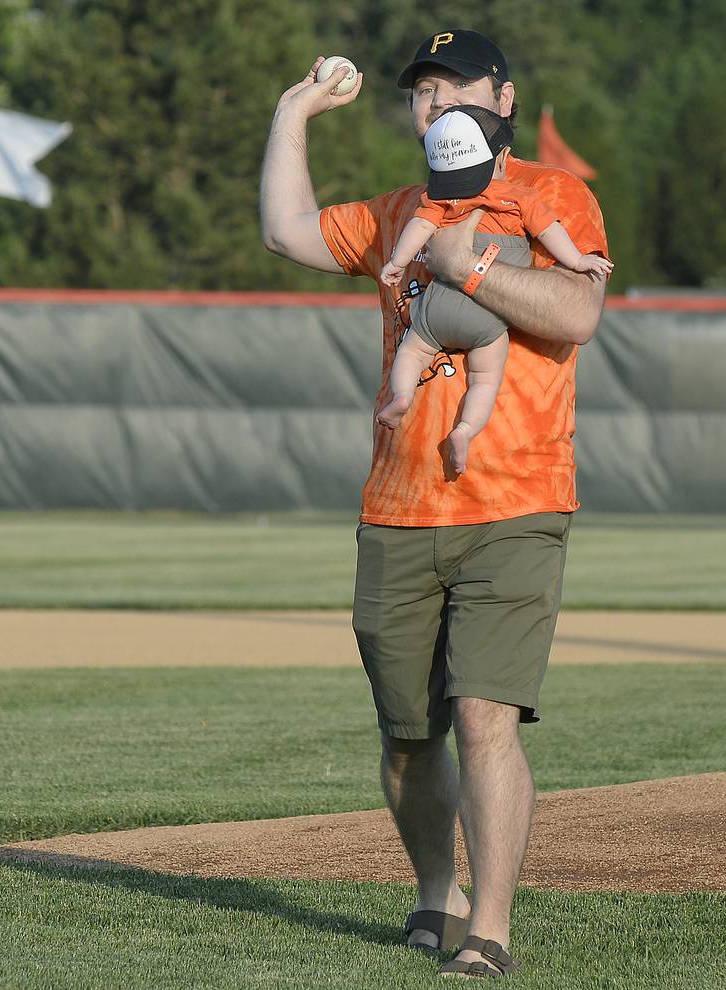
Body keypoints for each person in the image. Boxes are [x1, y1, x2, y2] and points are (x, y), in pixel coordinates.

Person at [260, 27, 609, 980]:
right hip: (400, 506)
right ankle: (434, 894)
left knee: (484, 716)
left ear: (501, 97)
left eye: (454, 85)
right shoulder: (400, 208)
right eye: (423, 90)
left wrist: (475, 267)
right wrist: (295, 112)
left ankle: (489, 929)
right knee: (408, 734)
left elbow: (579, 314)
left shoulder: (551, 195)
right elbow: (287, 232)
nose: (435, 101)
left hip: (516, 502)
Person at [377, 102, 612, 473]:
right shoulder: (517, 196)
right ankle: (466, 430)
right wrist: (579, 261)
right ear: (501, 157)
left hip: (436, 309)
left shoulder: (439, 199)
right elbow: (551, 233)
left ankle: (402, 395)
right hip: (486, 321)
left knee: (411, 353)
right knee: (485, 378)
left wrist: (396, 264)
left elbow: (418, 230)